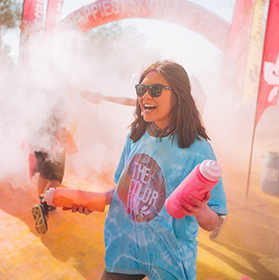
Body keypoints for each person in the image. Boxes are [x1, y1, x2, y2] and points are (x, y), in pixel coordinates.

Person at [65, 60, 227, 279]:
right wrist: (93, 200)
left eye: (156, 90)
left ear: (178, 96)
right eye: (142, 90)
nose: (145, 96)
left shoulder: (198, 150)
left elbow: (214, 222)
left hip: (169, 257)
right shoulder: (136, 136)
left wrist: (201, 211)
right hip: (126, 247)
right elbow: (124, 189)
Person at [19, 20, 78, 234]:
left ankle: (42, 202)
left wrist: (26, 38)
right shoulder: (60, 81)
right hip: (54, 132)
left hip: (36, 129)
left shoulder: (37, 78)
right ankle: (44, 206)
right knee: (56, 176)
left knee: (44, 170)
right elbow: (64, 110)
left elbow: (27, 63)